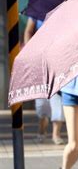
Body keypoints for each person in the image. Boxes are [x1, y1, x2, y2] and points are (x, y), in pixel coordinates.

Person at [24, 17, 65, 145]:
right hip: (40, 61)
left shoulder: (62, 10)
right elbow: (28, 31)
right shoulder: (37, 13)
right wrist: (30, 53)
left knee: (57, 99)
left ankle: (55, 134)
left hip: (58, 60)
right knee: (41, 102)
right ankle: (41, 131)